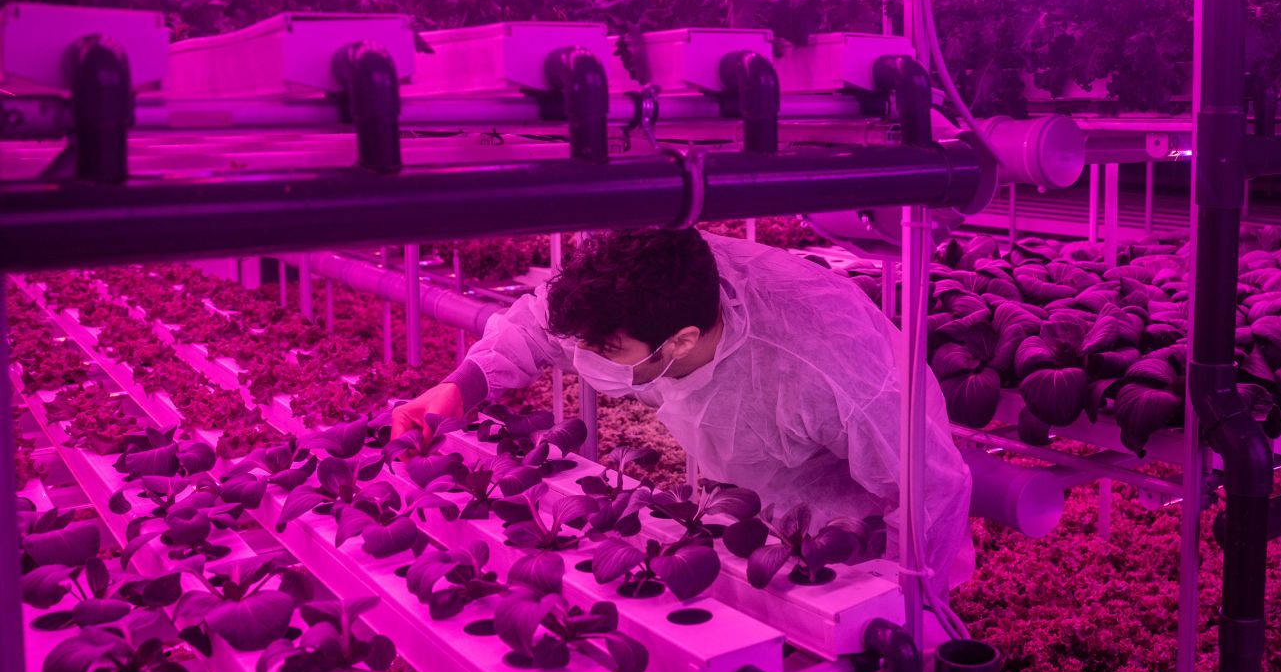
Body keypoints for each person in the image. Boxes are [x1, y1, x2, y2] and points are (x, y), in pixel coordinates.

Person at [394, 227, 974, 594]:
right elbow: (541, 324)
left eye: (605, 352)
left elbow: (932, 488)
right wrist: (458, 388)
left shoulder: (827, 364)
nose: (582, 359)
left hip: (843, 526)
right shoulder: (639, 296)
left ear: (679, 341)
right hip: (748, 498)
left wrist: (896, 601)